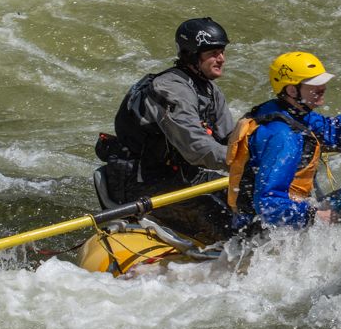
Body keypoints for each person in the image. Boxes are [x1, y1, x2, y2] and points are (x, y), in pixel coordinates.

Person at [94, 16, 237, 243]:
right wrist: (244, 160)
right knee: (227, 225)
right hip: (142, 183)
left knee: (247, 197)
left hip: (184, 175)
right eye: (213, 53)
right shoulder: (170, 89)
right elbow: (198, 149)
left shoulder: (210, 91)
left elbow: (232, 140)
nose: (221, 59)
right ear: (192, 55)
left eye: (222, 52)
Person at [226, 51, 341, 231]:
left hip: (290, 213)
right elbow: (268, 204)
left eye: (322, 82)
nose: (323, 87)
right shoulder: (283, 136)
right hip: (265, 233)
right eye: (315, 84)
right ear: (292, 90)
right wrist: (318, 216)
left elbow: (334, 135)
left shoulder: (293, 112)